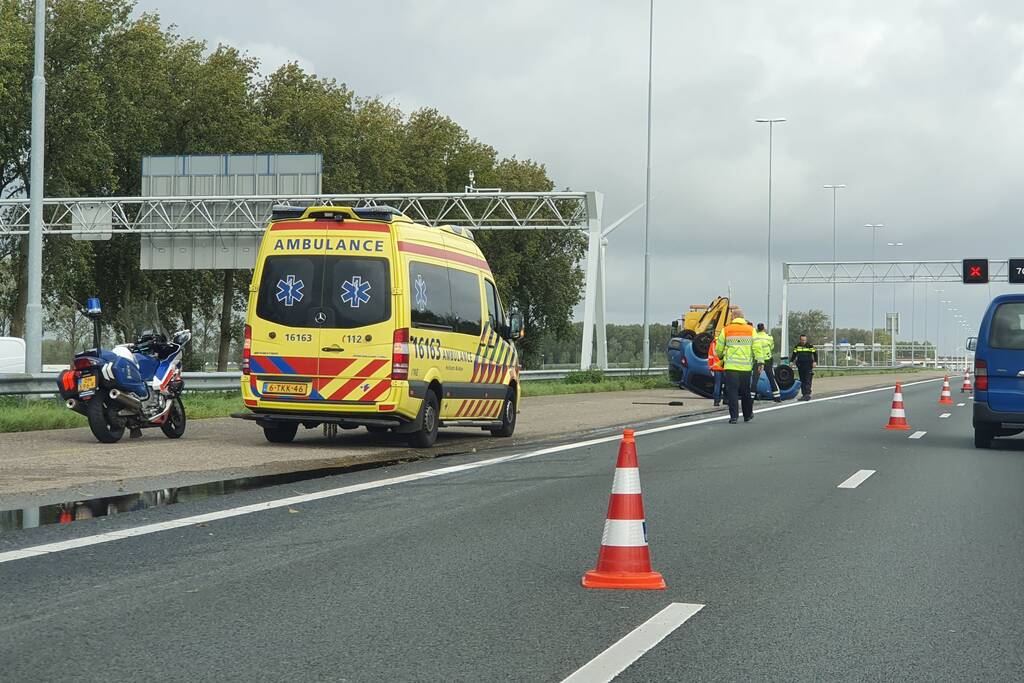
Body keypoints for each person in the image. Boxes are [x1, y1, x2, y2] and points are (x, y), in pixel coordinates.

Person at [716, 316, 755, 423]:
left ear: (733, 317)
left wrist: (720, 356)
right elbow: (756, 346)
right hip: (746, 367)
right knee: (745, 391)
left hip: (731, 367)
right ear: (743, 318)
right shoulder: (751, 329)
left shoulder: (726, 329)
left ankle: (734, 417)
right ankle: (747, 415)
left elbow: (719, 346)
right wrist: (759, 361)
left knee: (732, 391)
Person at [750, 322, 780, 402]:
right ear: (764, 328)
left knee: (754, 380)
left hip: (758, 360)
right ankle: (777, 397)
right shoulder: (769, 337)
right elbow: (772, 347)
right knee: (771, 378)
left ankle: (751, 398)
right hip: (767, 360)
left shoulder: (754, 337)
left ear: (757, 329)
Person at [790, 334, 818, 401]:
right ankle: (804, 394)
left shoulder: (810, 346)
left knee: (808, 380)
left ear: (806, 340)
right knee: (802, 380)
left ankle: (807, 394)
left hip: (808, 365)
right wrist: (791, 361)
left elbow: (815, 354)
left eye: (805, 340)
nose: (803, 341)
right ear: (800, 340)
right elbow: (794, 354)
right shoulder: (797, 347)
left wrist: (815, 362)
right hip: (800, 365)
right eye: (802, 340)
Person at [708, 336, 724, 406]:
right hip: (725, 367)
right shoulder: (726, 342)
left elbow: (710, 356)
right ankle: (726, 400)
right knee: (727, 384)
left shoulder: (713, 343)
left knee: (717, 384)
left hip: (716, 367)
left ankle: (716, 401)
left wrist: (710, 367)